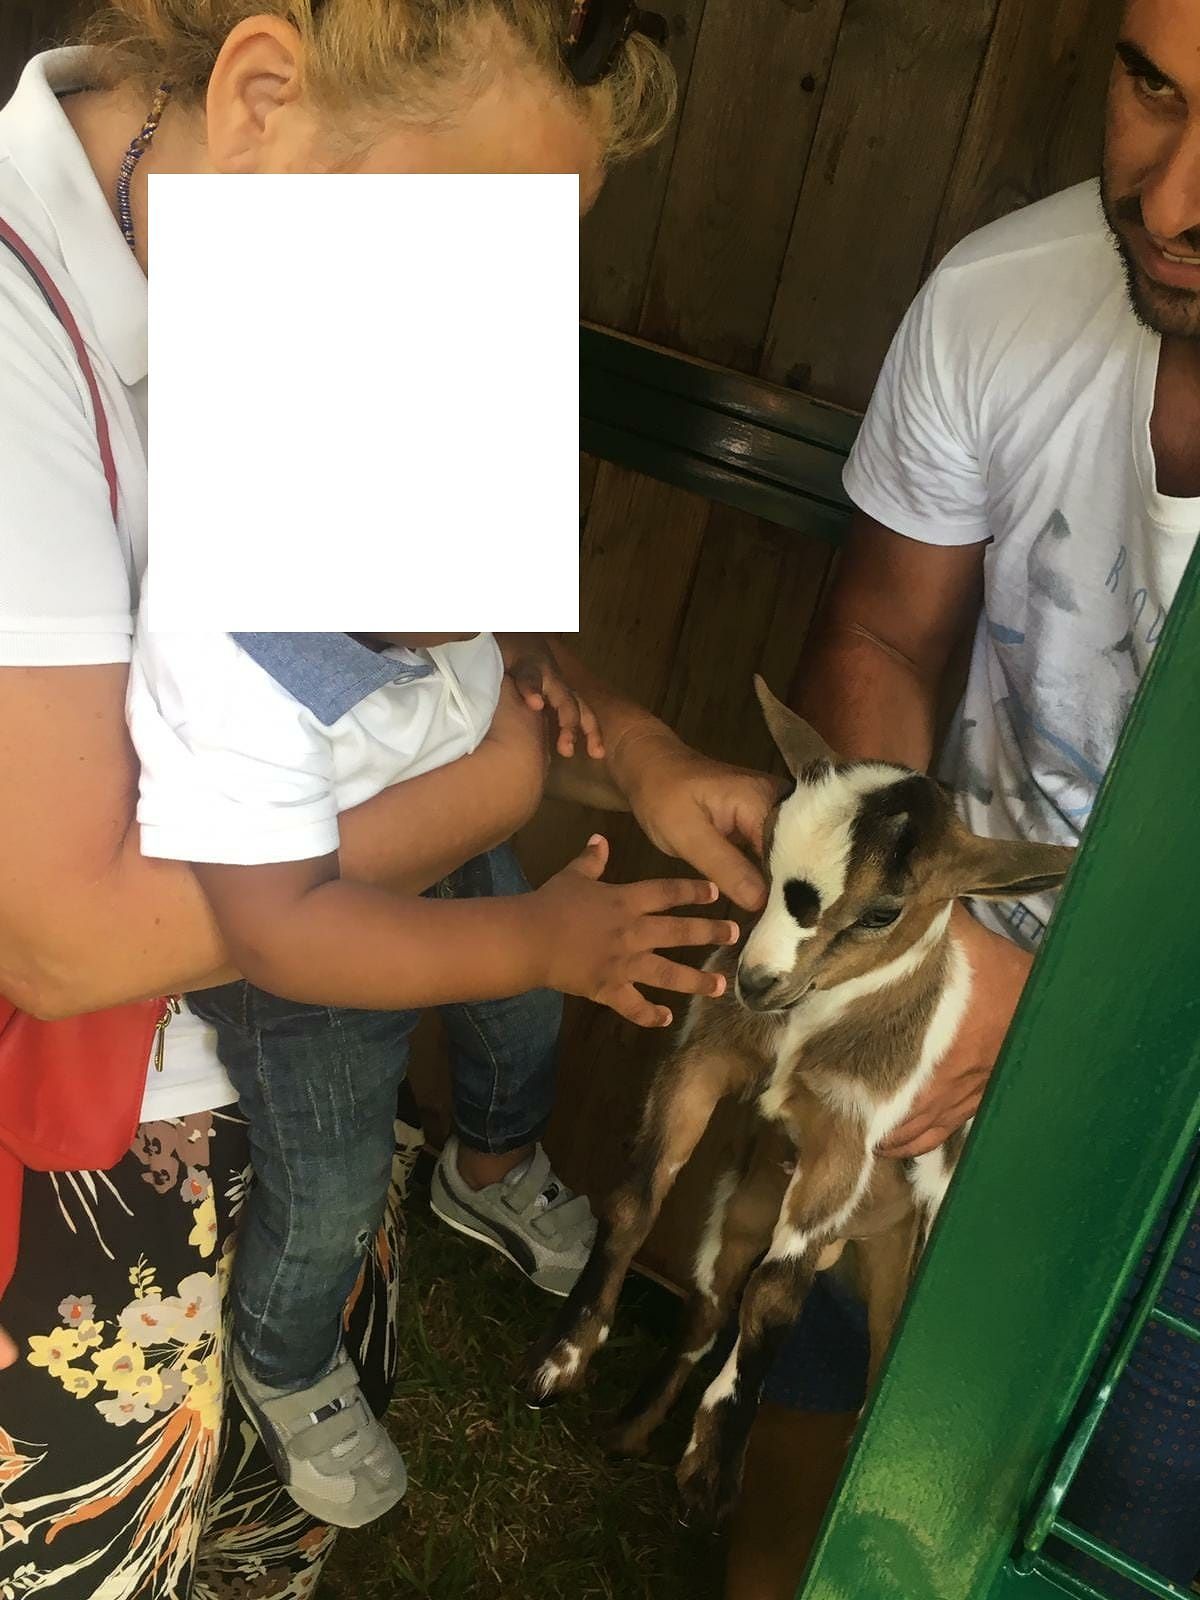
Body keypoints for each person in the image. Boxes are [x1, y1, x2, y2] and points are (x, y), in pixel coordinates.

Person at [0, 7, 780, 1595]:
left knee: (254, 1518)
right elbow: (67, 941)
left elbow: (392, 649)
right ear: (261, 95)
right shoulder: (27, 347)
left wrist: (630, 753)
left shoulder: (280, 289)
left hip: (277, 1074)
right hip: (90, 1164)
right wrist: (504, 792)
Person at [776, 0, 1200, 1591]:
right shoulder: (1000, 298)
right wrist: (919, 954)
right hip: (961, 967)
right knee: (819, 1413)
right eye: (1151, 86)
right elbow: (884, 635)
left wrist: (1067, 1036)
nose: (1168, 199)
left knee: (1102, 1523)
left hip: (1175, 1109)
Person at [127, 617, 737, 1528]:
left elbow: (470, 649)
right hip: (303, 956)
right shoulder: (233, 669)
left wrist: (520, 665)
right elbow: (279, 931)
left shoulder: (419, 615)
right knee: (336, 1185)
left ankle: (488, 1170)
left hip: (439, 830)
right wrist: (537, 939)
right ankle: (283, 1360)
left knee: (523, 1020)